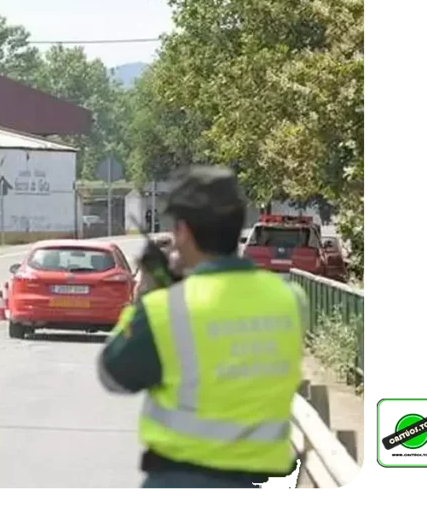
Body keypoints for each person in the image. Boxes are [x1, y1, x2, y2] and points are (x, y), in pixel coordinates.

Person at [98, 166, 308, 491]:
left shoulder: (166, 309)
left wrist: (148, 295)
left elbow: (113, 374)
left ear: (183, 231)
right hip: (268, 483)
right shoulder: (291, 301)